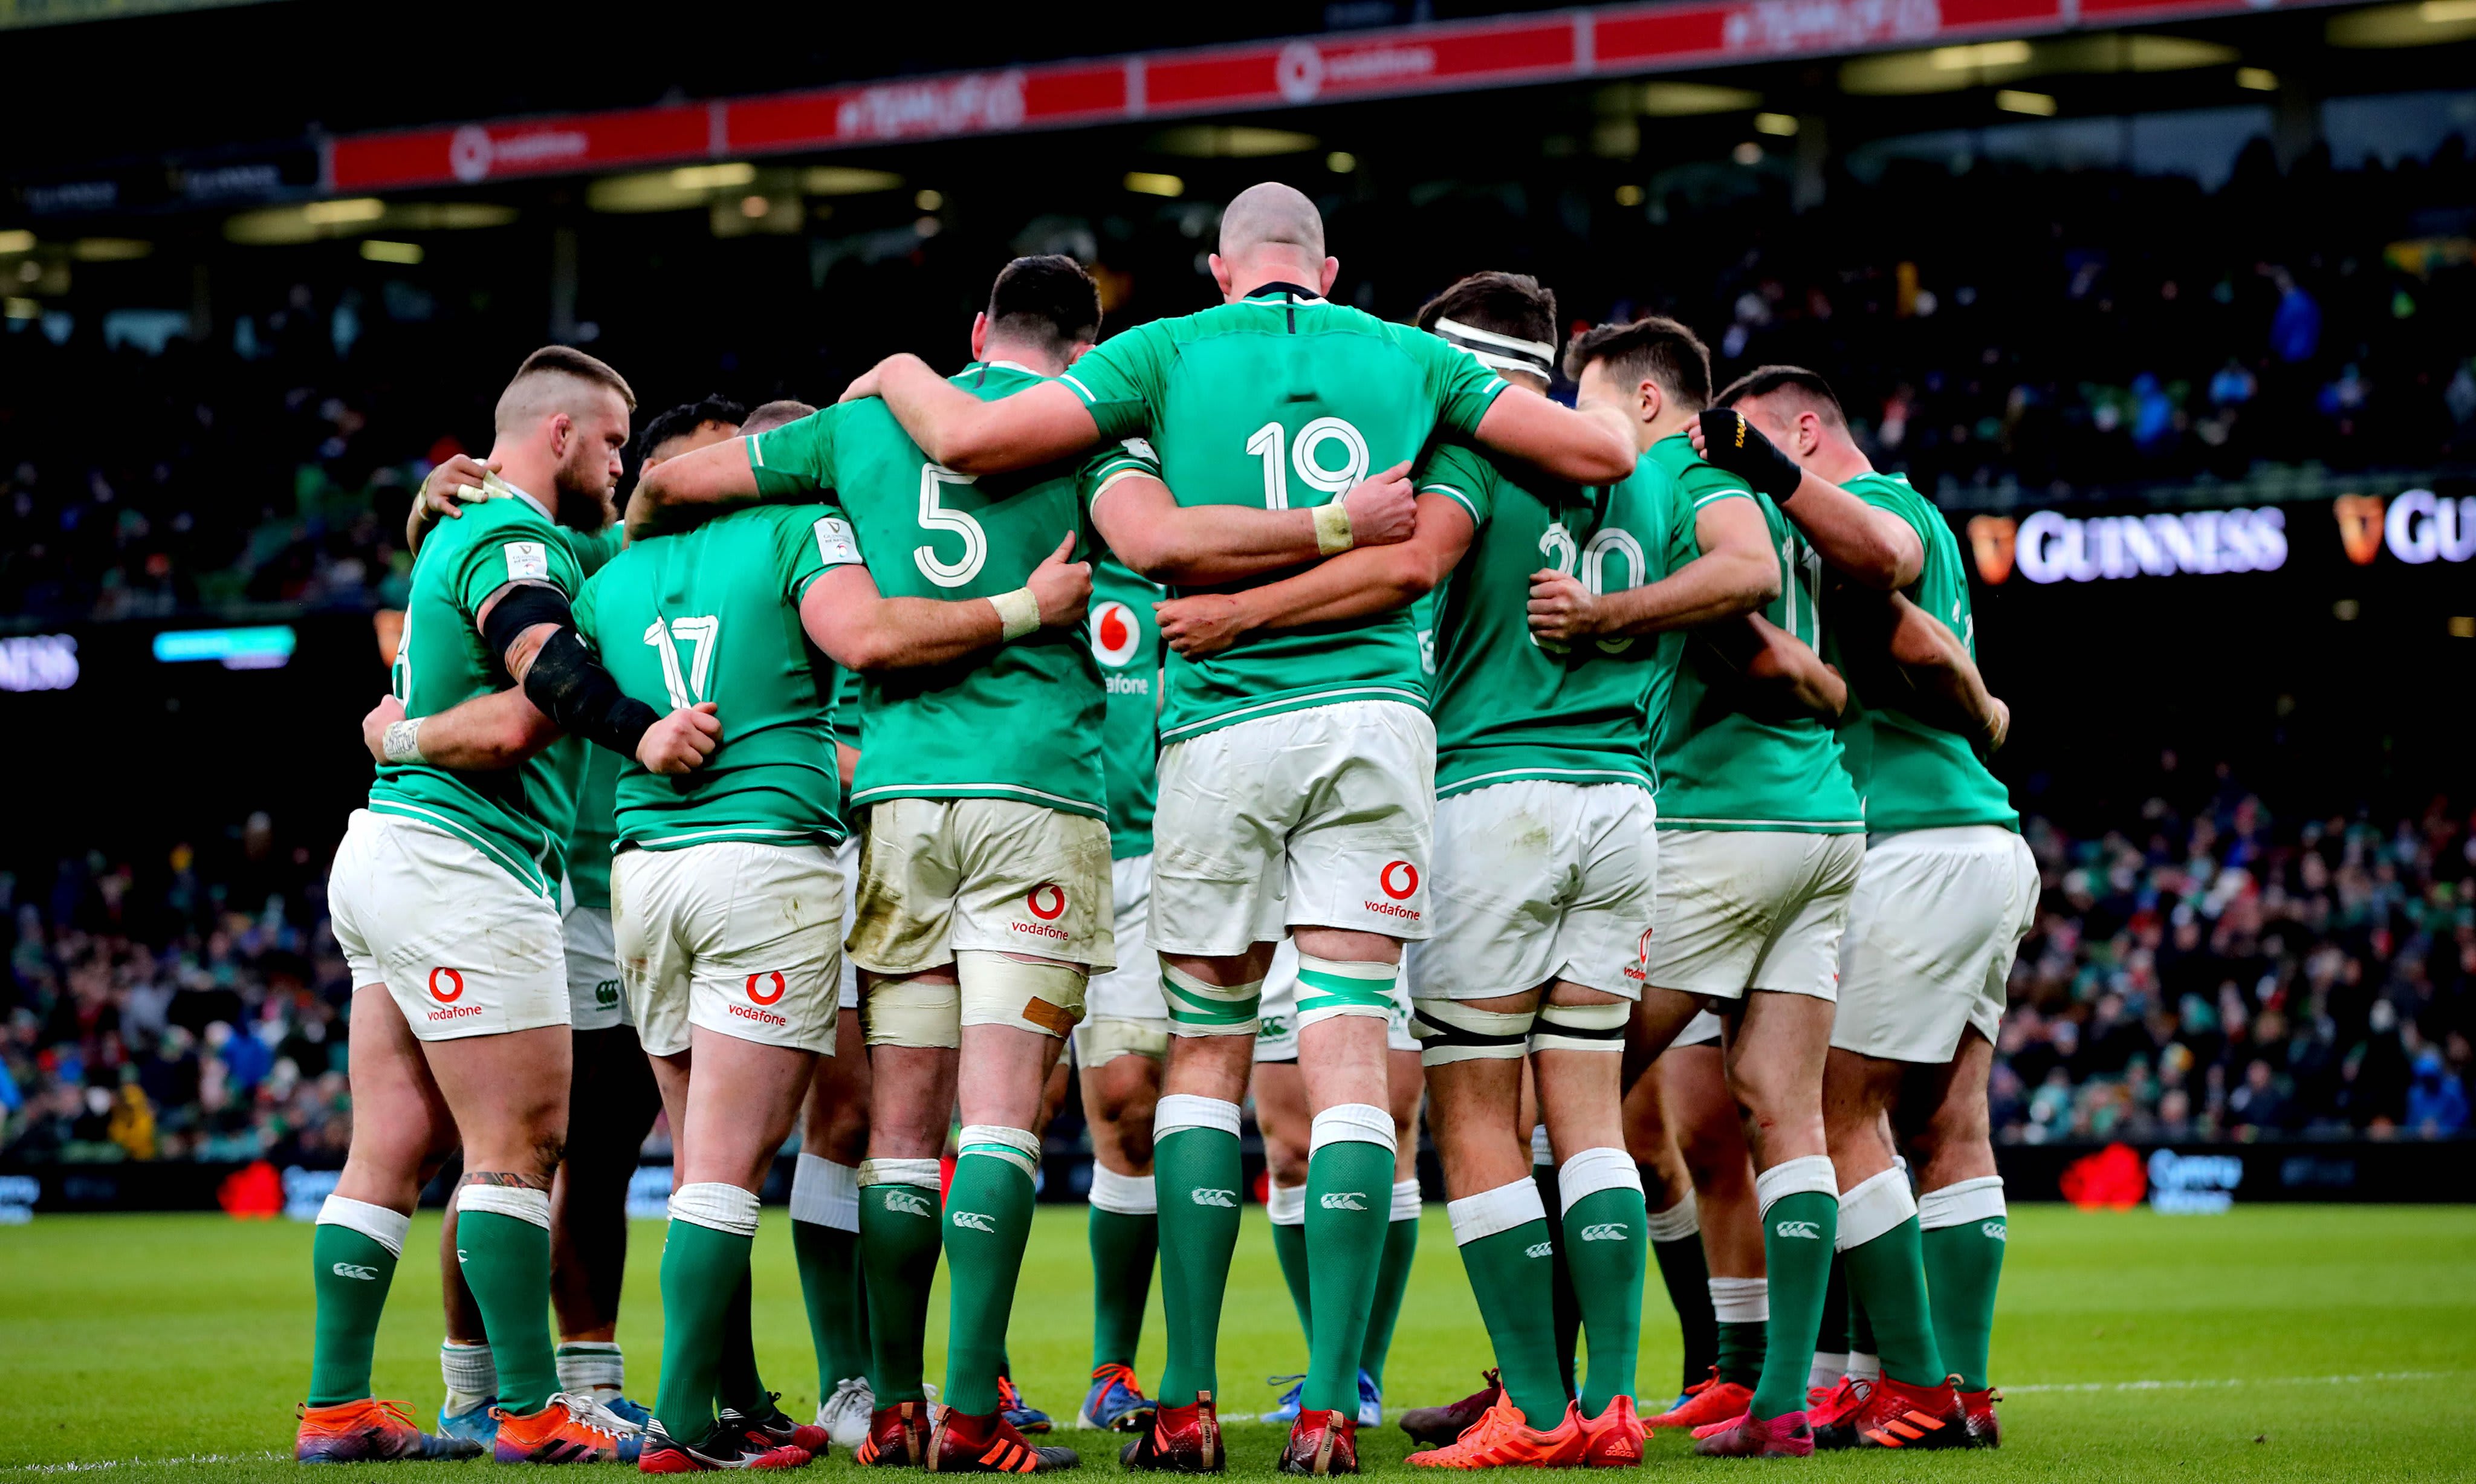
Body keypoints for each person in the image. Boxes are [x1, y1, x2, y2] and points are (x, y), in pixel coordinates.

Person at [849, 183, 1633, 1478]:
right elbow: (1602, 455)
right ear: (1329, 266)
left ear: (1218, 266)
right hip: (1376, 725)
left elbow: (991, 456)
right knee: (1342, 1052)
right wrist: (1417, 464)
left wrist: (890, 372)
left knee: (1205, 1055)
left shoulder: (1155, 354)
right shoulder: (1409, 354)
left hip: (1218, 734)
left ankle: (1189, 1391)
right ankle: (1329, 1400)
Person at [583, 381, 1077, 1469]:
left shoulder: (609, 578)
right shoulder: (793, 535)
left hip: (642, 874)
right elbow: (866, 641)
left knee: (710, 1152)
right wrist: (1026, 608)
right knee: (730, 1164)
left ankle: (742, 1393)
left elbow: (547, 696)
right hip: (766, 859)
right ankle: (687, 1423)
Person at [303, 347, 718, 1466]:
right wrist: (639, 731)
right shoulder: (514, 540)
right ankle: (528, 1409)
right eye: (619, 441)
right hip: (463, 865)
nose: (626, 464)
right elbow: (528, 690)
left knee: (393, 1146)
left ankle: (337, 1404)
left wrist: (419, 507)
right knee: (519, 1145)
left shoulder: (481, 527)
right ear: (563, 437)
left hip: (388, 856)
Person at [1523, 320, 1859, 1460]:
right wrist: (1807, 676)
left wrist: (1606, 616)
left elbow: (1746, 592)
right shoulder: (1748, 481)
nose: (1579, 417)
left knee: (1561, 1092)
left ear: (1652, 400)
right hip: (1820, 825)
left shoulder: (1668, 470)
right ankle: (1778, 1409)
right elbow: (1778, 612)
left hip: (1716, 825)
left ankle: (1547, 1394)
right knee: (1785, 1107)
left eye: (1593, 397)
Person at [393, 395, 743, 1448]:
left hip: (634, 875)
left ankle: (588, 1375)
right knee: (517, 1147)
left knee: (604, 1143)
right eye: (637, 455)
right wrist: (435, 499)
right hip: (571, 880)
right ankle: (480, 1388)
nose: (647, 472)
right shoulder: (590, 551)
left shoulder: (743, 556)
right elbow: (509, 625)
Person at [1702, 368, 2031, 1449]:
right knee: (1950, 1127)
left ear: (1803, 431)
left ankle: (1920, 1390)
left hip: (1911, 844)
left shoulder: (1876, 512)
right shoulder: (1892, 515)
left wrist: (1978, 701)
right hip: (1980, 841)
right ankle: (1955, 1389)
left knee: (1832, 1113)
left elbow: (1902, 614)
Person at [1069, 549, 1168, 1437]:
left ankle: (1112, 1366)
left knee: (1130, 1100)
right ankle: (981, 1369)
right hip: (1023, 839)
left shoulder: (1169, 562)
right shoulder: (1015, 543)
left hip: (1143, 860)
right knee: (997, 1113)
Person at [1252, 937, 1422, 1433]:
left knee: (1388, 1131)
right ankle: (1327, 1363)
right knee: (1288, 1154)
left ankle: (1362, 1374)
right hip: (1283, 923)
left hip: (1375, 909)